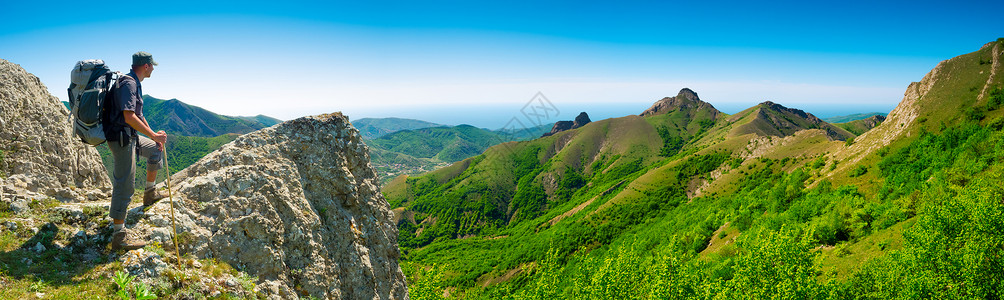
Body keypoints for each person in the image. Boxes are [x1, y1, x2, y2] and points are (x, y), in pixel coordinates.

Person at [106, 51, 168, 250]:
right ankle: (119, 235)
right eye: (152, 66)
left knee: (155, 150)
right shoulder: (129, 83)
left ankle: (150, 193)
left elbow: (139, 115)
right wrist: (153, 135)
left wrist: (154, 136)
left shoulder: (134, 82)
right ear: (147, 66)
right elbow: (128, 116)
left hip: (130, 136)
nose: (153, 70)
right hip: (121, 138)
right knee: (125, 184)